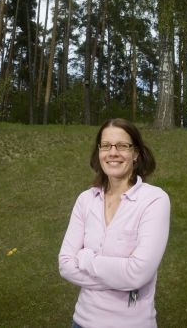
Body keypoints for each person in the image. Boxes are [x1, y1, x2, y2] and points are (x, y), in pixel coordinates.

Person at [58, 118, 170, 328]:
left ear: (136, 153)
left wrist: (85, 258)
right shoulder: (86, 199)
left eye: (122, 146)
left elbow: (137, 274)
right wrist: (121, 279)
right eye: (106, 145)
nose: (113, 152)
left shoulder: (154, 200)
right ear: (99, 152)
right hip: (82, 322)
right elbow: (65, 265)